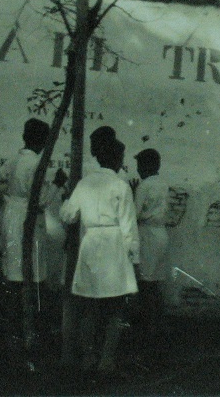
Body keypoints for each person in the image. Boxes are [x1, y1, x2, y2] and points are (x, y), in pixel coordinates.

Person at [60, 138, 140, 374]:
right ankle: (107, 359)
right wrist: (134, 260)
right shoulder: (120, 186)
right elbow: (129, 226)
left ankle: (88, 357)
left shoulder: (85, 183)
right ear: (116, 159)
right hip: (114, 245)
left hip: (91, 242)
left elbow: (68, 216)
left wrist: (67, 200)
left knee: (90, 305)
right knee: (115, 307)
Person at [0, 118, 65, 349]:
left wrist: (9, 197)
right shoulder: (37, 164)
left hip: (12, 214)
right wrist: (57, 185)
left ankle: (15, 328)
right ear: (43, 141)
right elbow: (40, 202)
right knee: (32, 271)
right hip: (29, 219)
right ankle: (30, 328)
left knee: (14, 270)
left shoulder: (14, 160)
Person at [133, 148, 170, 344]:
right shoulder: (163, 185)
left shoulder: (144, 186)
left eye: (140, 166)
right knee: (155, 282)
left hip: (147, 233)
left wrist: (132, 195)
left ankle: (149, 327)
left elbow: (135, 214)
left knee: (146, 282)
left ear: (147, 166)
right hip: (161, 233)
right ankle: (159, 323)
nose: (138, 170)